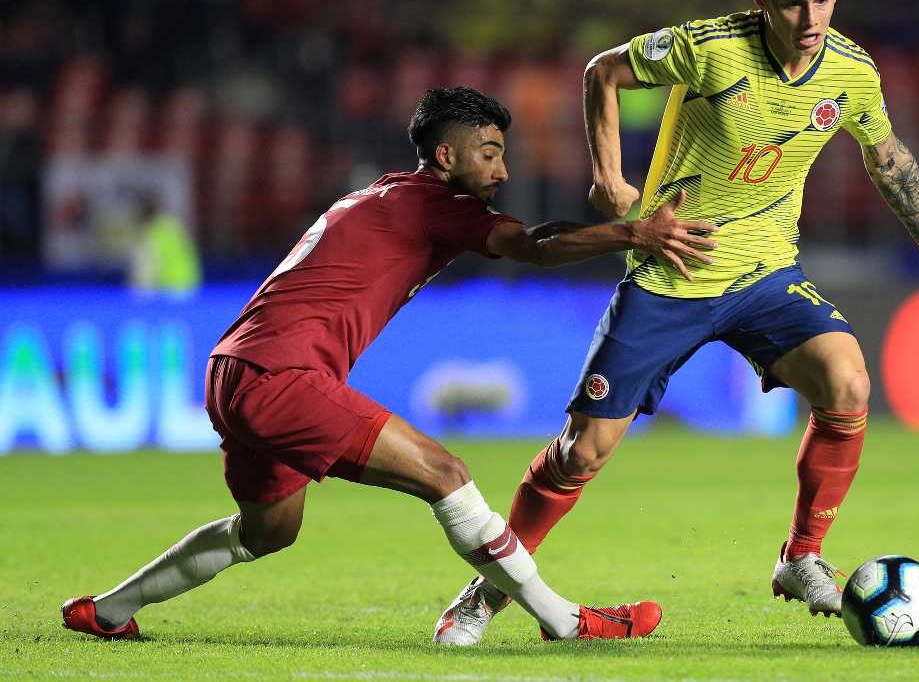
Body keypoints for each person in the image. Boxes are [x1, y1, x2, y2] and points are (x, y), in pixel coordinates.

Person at [434, 0, 919, 644]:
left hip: (765, 272)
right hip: (670, 272)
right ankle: (487, 592)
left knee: (847, 382)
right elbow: (604, 71)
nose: (807, 20)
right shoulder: (710, 48)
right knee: (580, 452)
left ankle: (801, 557)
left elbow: (887, 155)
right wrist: (610, 179)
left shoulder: (852, 72)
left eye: (820, 1)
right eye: (789, 3)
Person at [62, 86, 720, 643]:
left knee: (268, 532)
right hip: (283, 376)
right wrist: (633, 233)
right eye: (489, 154)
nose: (503, 171)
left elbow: (524, 236)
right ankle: (566, 621)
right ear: (446, 155)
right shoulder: (437, 204)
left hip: (232, 371)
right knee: (447, 473)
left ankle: (109, 611)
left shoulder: (382, 194)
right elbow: (533, 247)